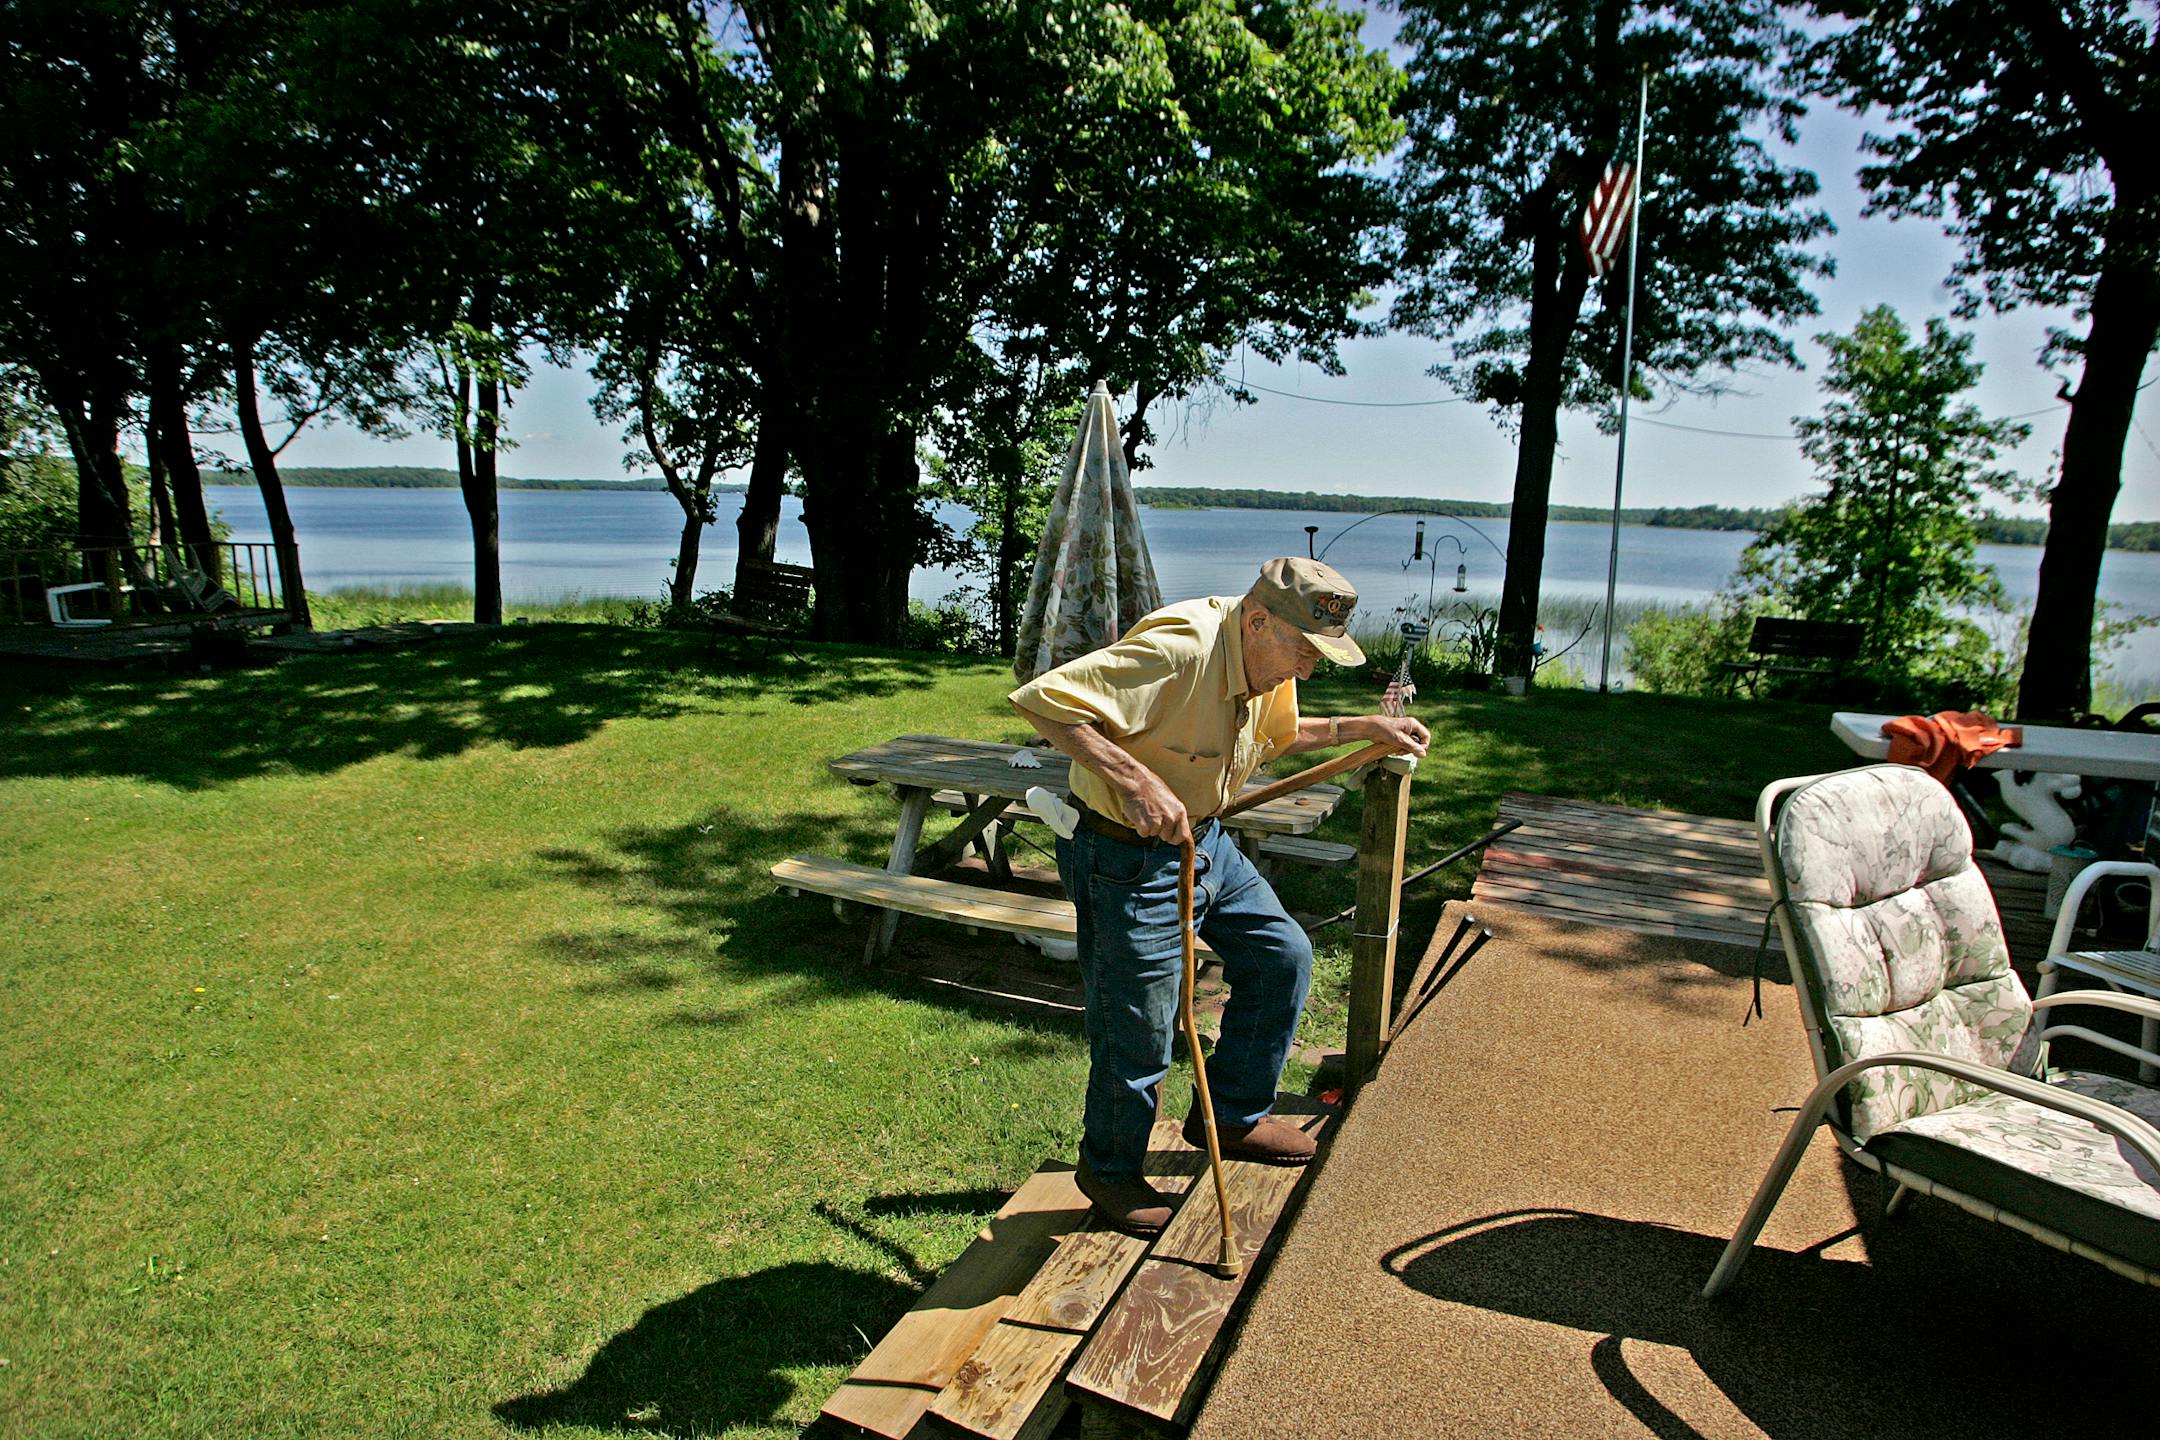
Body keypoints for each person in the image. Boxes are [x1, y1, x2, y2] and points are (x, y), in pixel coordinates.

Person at [1008, 557, 1430, 1234]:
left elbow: (1281, 737)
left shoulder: (1267, 658)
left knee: (1282, 955)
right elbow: (1042, 701)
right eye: (1303, 651)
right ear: (1258, 620)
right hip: (1124, 856)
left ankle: (1231, 1117)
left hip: (1207, 844)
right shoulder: (1180, 649)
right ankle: (1109, 1169)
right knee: (1140, 1027)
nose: (1309, 671)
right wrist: (1138, 781)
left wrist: (1363, 728)